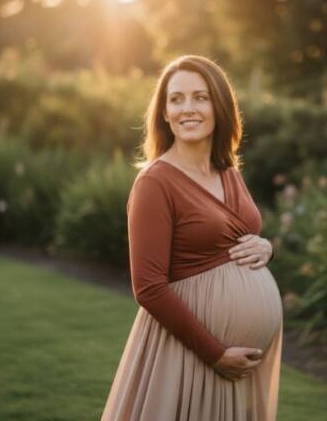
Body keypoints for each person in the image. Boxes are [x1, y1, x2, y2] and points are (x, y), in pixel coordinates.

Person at [101, 55, 283, 421]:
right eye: (176, 99)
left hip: (236, 362)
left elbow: (240, 236)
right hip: (190, 355)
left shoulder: (227, 170)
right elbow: (148, 287)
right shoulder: (155, 183)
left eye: (200, 97)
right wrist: (215, 353)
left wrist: (266, 247)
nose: (188, 109)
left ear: (220, 106)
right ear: (164, 113)